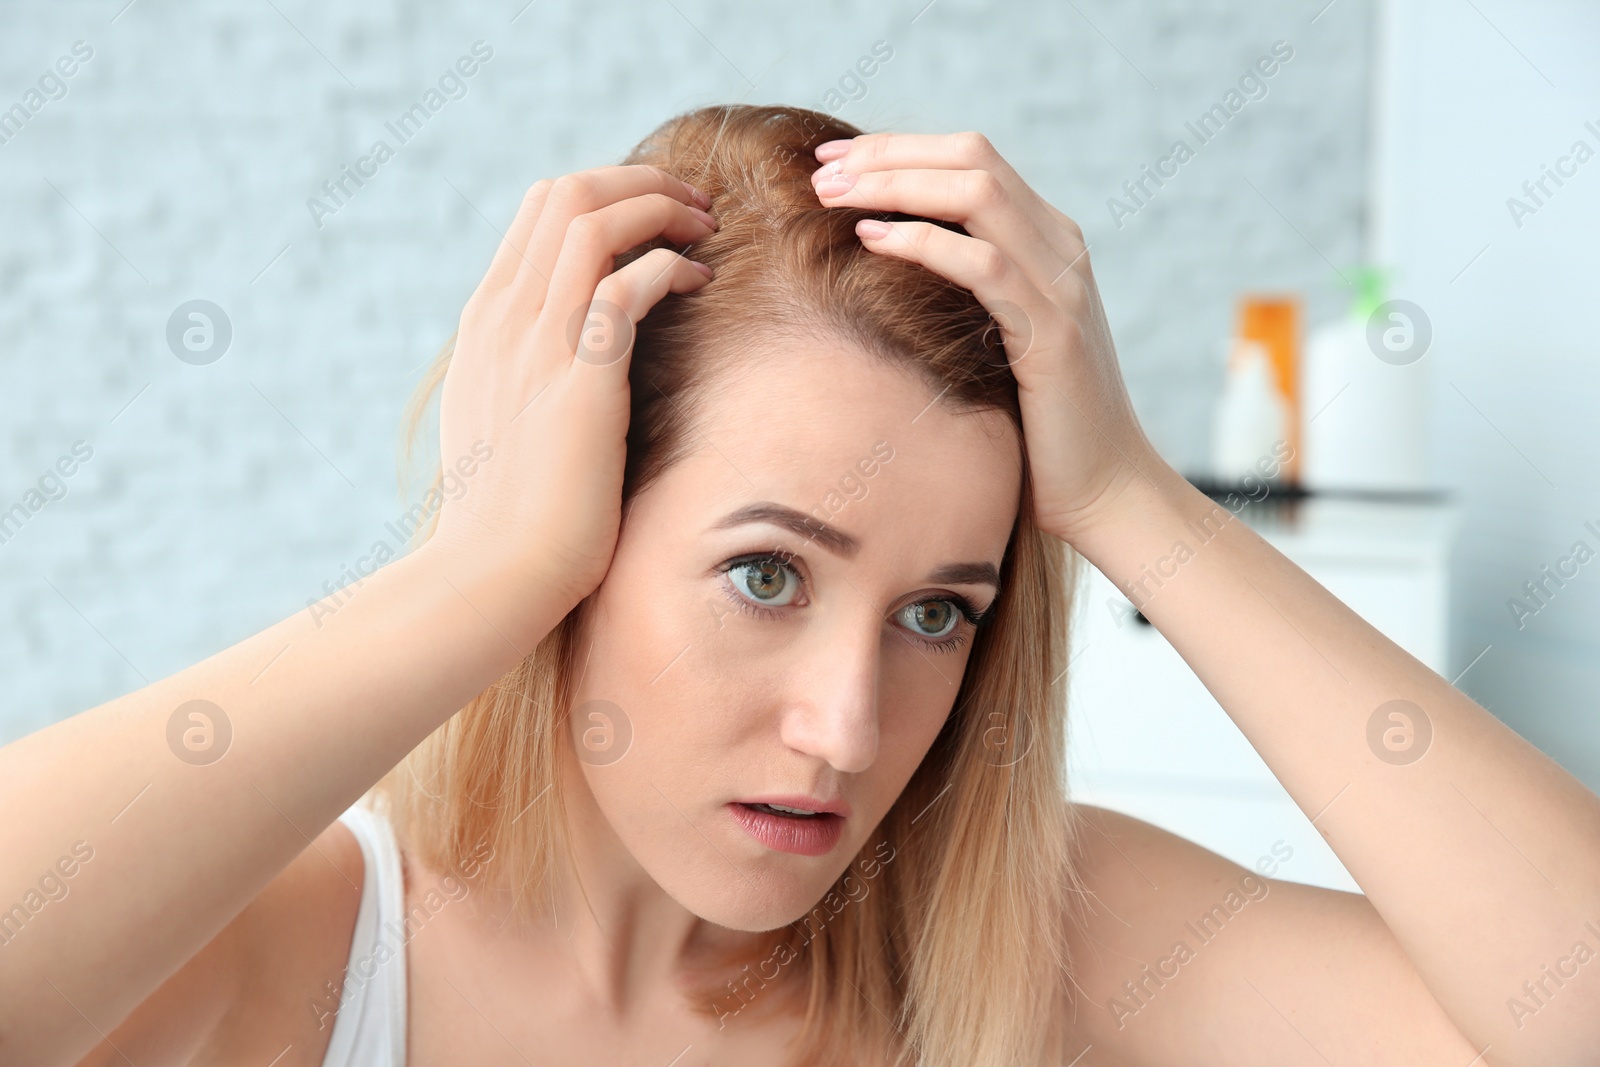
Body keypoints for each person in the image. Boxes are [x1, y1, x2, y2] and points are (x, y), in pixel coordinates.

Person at [3, 103, 1597, 1067]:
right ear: (585, 532)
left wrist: (1133, 503)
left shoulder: (1019, 946)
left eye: (935, 614)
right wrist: (475, 574)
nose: (848, 728)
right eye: (767, 573)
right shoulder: (308, 961)